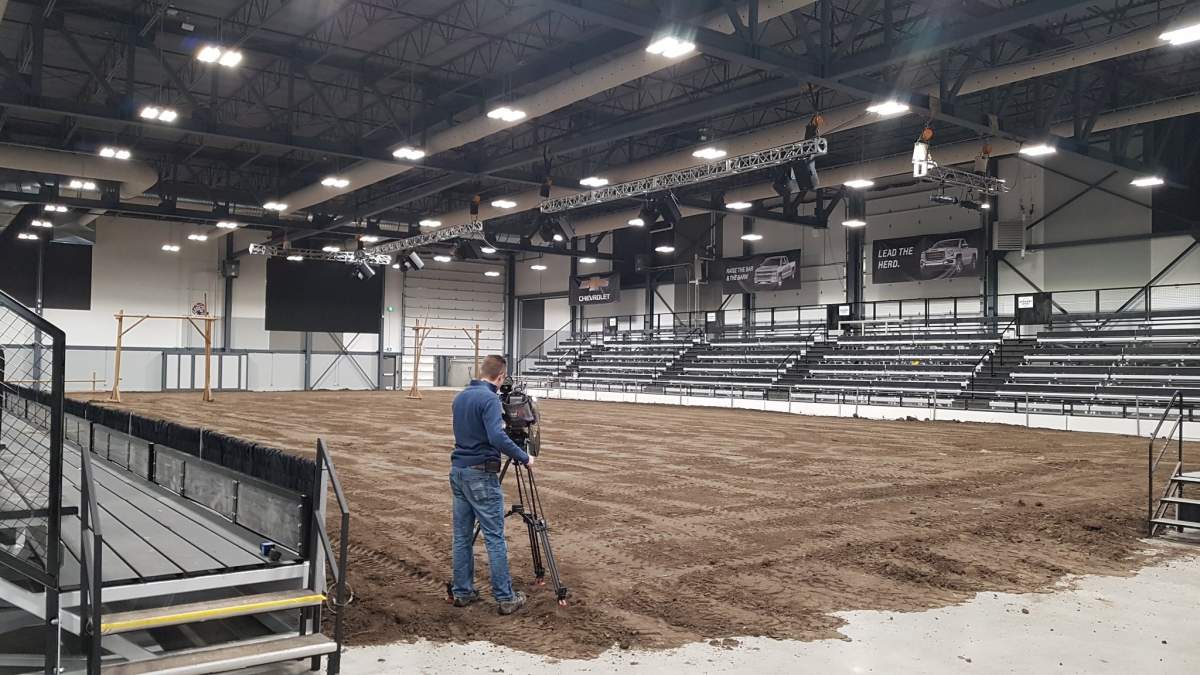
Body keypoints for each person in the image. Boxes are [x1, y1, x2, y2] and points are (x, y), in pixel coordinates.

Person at [448, 354, 533, 615]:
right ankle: (505, 596)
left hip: (459, 470)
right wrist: (524, 456)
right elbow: (496, 436)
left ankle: (462, 591)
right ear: (501, 377)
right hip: (481, 474)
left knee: (462, 537)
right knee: (495, 537)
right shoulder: (489, 399)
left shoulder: (461, 397)